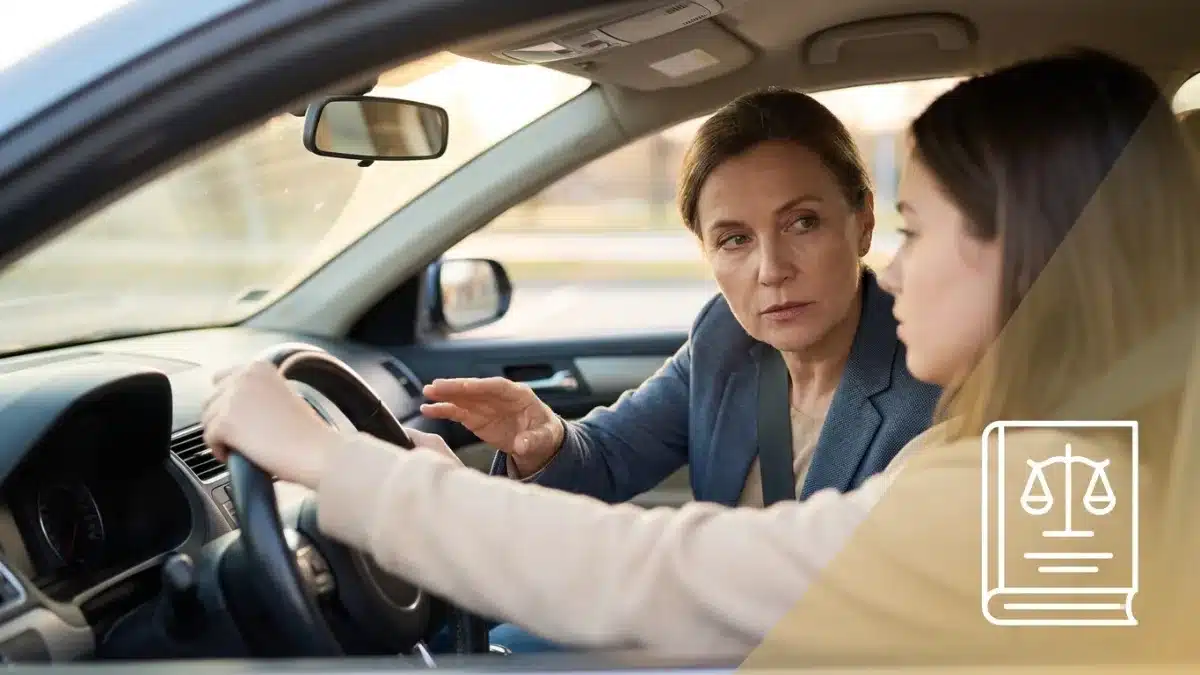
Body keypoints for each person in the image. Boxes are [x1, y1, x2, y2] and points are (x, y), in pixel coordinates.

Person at [202, 48, 1200, 661]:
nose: (896, 273)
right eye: (732, 240)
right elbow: (663, 540)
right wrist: (536, 456)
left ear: (1026, 250)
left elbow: (665, 572)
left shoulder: (1042, 498)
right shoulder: (1041, 461)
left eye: (912, 229)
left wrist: (339, 463)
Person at [422, 89, 941, 652]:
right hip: (711, 634)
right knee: (486, 643)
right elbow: (609, 453)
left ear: (862, 223)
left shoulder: (934, 380)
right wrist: (545, 443)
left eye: (802, 223)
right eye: (735, 239)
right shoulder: (726, 338)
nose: (771, 270)